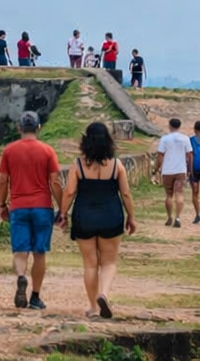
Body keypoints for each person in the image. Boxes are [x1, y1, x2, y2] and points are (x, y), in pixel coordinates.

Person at [58, 122, 137, 320]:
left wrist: (63, 214)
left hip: (84, 217)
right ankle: (104, 294)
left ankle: (93, 307)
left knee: (90, 264)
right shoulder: (116, 165)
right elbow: (126, 193)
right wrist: (131, 217)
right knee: (109, 262)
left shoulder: (78, 165)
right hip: (111, 216)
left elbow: (69, 192)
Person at [0, 111, 64, 310]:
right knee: (40, 252)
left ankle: (20, 277)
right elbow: (55, 182)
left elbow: (2, 181)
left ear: (19, 128)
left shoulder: (9, 151)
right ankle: (35, 296)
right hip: (43, 207)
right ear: (38, 128)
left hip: (18, 207)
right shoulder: (47, 151)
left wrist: (2, 204)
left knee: (20, 250)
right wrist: (62, 208)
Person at [154, 118, 191, 227]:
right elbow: (189, 154)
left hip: (168, 170)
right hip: (180, 170)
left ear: (170, 126)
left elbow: (160, 155)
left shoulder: (164, 139)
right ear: (179, 126)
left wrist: (156, 168)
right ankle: (178, 217)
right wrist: (189, 169)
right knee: (179, 193)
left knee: (169, 195)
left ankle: (169, 217)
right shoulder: (185, 139)